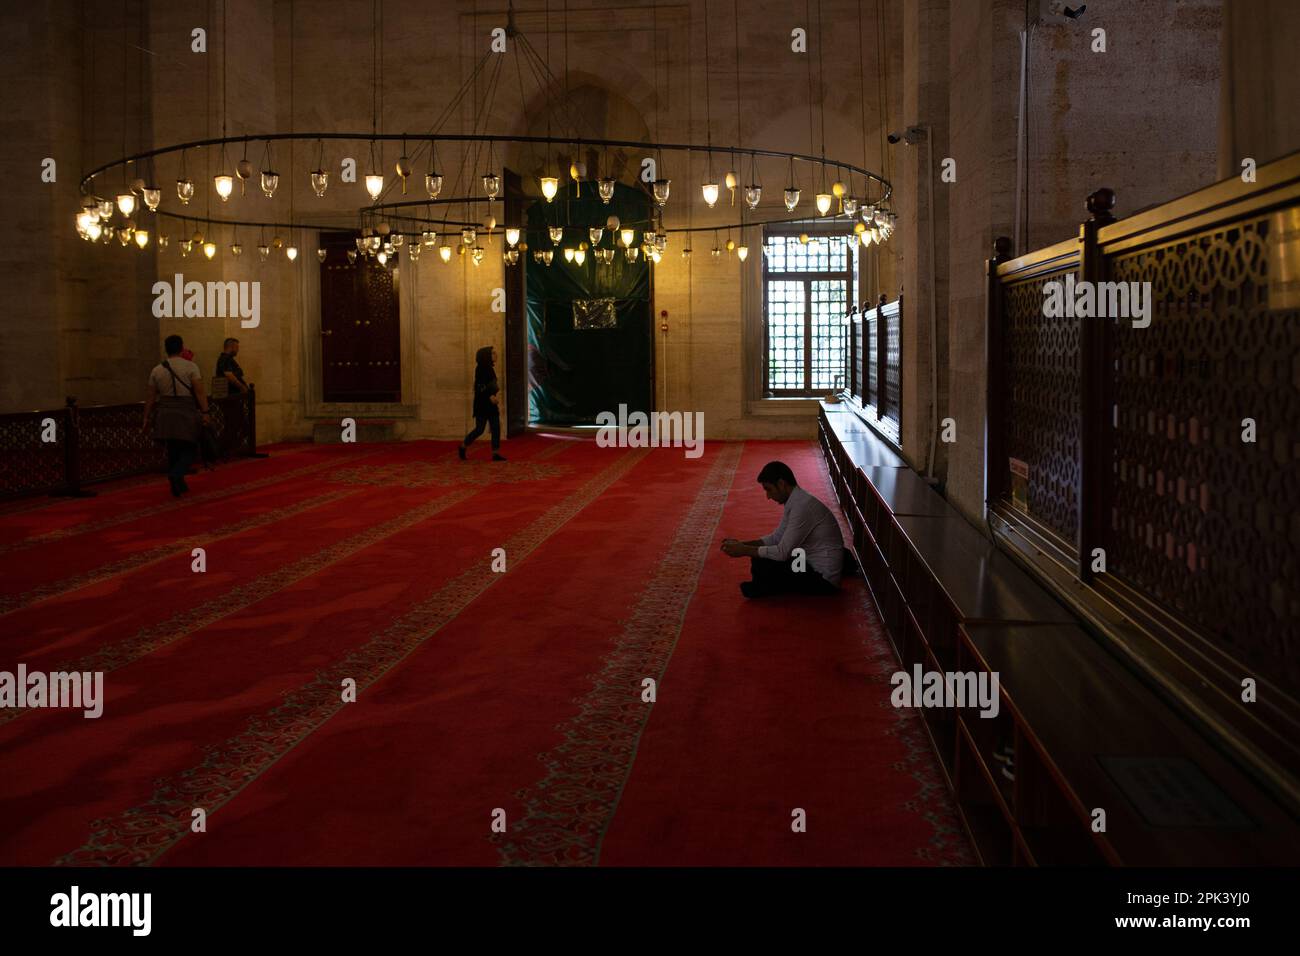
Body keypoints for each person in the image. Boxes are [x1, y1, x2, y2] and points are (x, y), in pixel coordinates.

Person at [720, 461, 845, 598]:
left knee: (762, 562)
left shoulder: (802, 507)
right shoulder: (795, 501)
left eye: (768, 489)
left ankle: (762, 588)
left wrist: (743, 550)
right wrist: (742, 544)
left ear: (781, 484)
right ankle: (763, 586)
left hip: (823, 580)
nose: (768, 496)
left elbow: (783, 552)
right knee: (761, 558)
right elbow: (776, 538)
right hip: (807, 562)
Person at [143, 334, 211, 497]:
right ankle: (177, 474)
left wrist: (146, 417)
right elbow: (199, 392)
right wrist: (206, 412)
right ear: (181, 348)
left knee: (173, 447)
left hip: (165, 411)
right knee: (191, 447)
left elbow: (151, 397)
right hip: (185, 410)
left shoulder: (157, 369)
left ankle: (177, 485)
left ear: (166, 350)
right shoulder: (190, 367)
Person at [458, 345, 505, 461]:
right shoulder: (480, 368)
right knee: (480, 429)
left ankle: (495, 453)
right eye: (493, 353)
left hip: (491, 404)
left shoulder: (490, 368)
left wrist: (493, 395)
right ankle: (463, 446)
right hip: (482, 404)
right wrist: (490, 396)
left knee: (495, 427)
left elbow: (491, 384)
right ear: (486, 356)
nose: (496, 355)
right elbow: (480, 386)